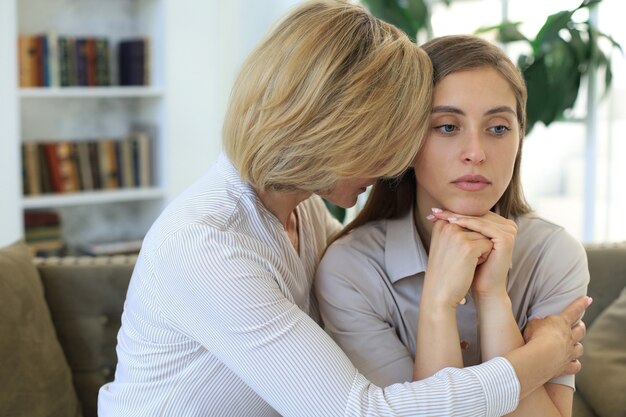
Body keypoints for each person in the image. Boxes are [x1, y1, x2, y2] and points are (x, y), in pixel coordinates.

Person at [98, 2, 588, 415]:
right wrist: (543, 356)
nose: (393, 158)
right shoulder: (209, 246)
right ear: (324, 128)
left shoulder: (302, 211)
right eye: (383, 135)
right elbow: (360, 411)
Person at [315, 34, 590, 417]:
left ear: (519, 138)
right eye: (447, 127)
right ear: (405, 139)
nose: (476, 153)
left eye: (497, 128)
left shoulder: (553, 253)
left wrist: (493, 297)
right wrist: (438, 304)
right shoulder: (351, 270)